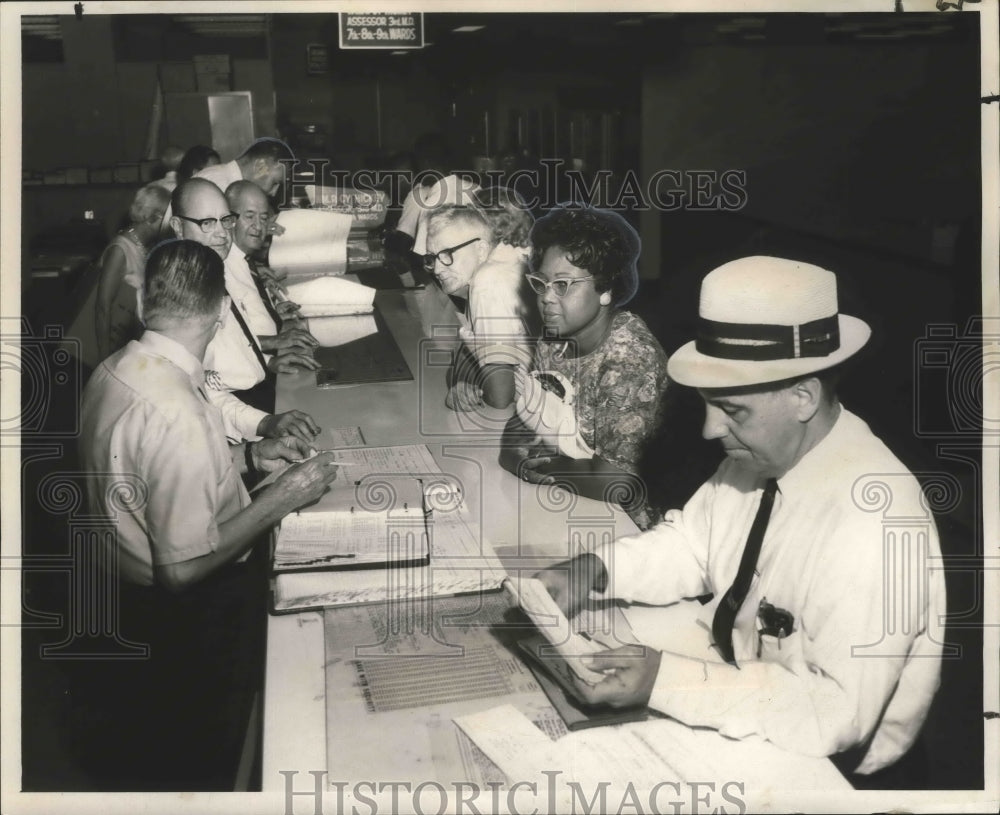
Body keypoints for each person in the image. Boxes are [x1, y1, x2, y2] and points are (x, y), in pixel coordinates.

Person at [533, 256, 946, 784]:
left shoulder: (876, 522)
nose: (709, 430)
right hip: (743, 679)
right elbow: (694, 542)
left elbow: (834, 714)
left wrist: (666, 682)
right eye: (708, 405)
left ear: (803, 396)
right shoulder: (769, 452)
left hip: (833, 769)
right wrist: (594, 570)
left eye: (731, 409)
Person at [77, 239, 342, 788]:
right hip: (187, 621)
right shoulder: (178, 410)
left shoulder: (114, 370)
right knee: (211, 757)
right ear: (222, 312)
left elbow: (157, 477)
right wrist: (283, 497)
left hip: (118, 602)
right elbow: (183, 569)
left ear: (148, 306)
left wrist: (249, 456)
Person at [499, 204, 669, 529]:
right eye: (542, 283)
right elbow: (526, 419)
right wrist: (514, 454)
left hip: (630, 527)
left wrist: (537, 466)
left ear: (605, 289)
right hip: (570, 499)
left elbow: (616, 483)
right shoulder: (557, 335)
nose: (547, 298)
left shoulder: (629, 358)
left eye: (563, 285)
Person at [169, 178, 318, 442]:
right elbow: (204, 390)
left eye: (225, 220)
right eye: (207, 223)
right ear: (178, 227)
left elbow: (226, 355)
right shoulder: (179, 298)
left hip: (253, 404)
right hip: (234, 424)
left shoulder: (211, 275)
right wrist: (264, 423)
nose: (222, 233)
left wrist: (269, 363)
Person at [425, 188, 537, 411]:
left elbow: (500, 397)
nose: (437, 268)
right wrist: (461, 382)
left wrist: (461, 383)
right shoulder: (508, 268)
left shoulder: (488, 280)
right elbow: (468, 357)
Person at [224, 180, 318, 372]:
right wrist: (274, 342)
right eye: (249, 216)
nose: (259, 226)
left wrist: (274, 314)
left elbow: (245, 316)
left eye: (264, 217)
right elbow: (222, 342)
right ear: (229, 219)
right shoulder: (221, 266)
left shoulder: (244, 260)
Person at [93, 182, 171, 359]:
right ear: (154, 218)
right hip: (114, 348)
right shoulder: (120, 250)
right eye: (168, 219)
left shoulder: (145, 247)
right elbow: (102, 307)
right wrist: (105, 360)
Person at [195, 137, 293, 198]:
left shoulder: (228, 182)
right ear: (260, 166)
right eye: (275, 183)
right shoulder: (218, 185)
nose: (274, 193)